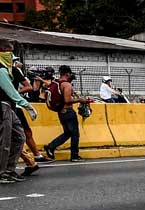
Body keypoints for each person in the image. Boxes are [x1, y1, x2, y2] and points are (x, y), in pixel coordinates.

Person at [0, 41, 36, 183]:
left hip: (9, 106)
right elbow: (10, 90)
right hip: (2, 105)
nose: (11, 55)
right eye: (8, 51)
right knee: (5, 140)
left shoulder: (8, 69)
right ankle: (2, 172)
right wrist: (26, 104)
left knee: (19, 136)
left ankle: (9, 169)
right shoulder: (1, 69)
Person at [44, 65, 90, 162]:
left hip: (61, 112)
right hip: (68, 111)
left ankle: (50, 147)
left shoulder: (56, 82)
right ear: (67, 74)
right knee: (75, 134)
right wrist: (81, 100)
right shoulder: (67, 85)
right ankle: (74, 156)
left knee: (68, 133)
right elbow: (67, 100)